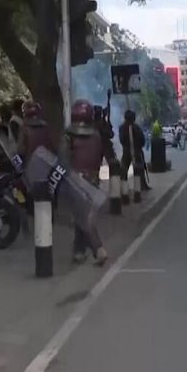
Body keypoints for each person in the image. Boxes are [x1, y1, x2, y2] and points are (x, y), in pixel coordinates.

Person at [65, 100, 109, 266]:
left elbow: (63, 159)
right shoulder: (97, 135)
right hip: (94, 178)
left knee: (84, 217)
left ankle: (98, 249)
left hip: (76, 179)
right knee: (81, 214)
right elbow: (99, 158)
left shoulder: (69, 136)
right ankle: (78, 251)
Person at [119, 110, 150, 191]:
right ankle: (127, 187)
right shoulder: (133, 127)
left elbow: (142, 140)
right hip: (131, 151)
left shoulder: (126, 127)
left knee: (137, 169)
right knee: (126, 170)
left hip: (133, 151)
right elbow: (123, 140)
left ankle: (138, 187)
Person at [18, 99, 55, 164]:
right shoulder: (45, 126)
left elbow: (20, 150)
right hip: (46, 163)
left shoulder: (24, 128)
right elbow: (51, 145)